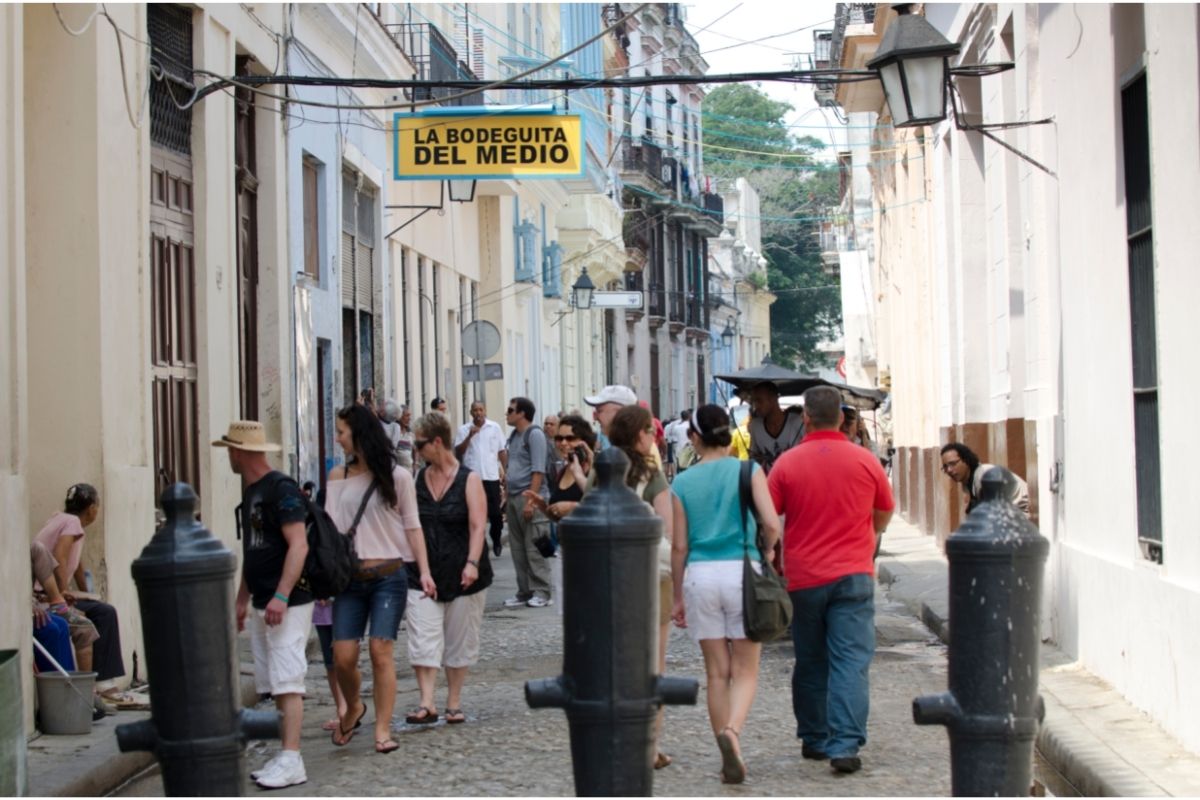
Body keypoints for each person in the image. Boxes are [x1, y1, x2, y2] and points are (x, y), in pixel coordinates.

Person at [767, 386, 894, 775]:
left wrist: (774, 557)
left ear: (804, 417)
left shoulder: (787, 464)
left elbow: (769, 521)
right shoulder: (865, 461)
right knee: (851, 660)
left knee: (810, 659)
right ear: (841, 419)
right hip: (853, 572)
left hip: (804, 576)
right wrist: (866, 537)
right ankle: (845, 744)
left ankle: (815, 737)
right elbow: (884, 511)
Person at [670, 405, 782, 784]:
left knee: (716, 673)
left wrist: (678, 597)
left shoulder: (682, 482)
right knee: (746, 670)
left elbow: (679, 546)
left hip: (700, 576)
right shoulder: (748, 470)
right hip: (742, 573)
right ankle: (732, 734)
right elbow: (770, 522)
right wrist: (766, 550)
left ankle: (726, 754)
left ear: (694, 438)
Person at [325, 405, 435, 751]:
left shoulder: (397, 476)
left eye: (342, 431)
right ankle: (355, 705)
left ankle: (383, 730)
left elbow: (413, 526)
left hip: (389, 575)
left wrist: (425, 571)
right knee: (342, 656)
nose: (337, 437)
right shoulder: (337, 476)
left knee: (380, 650)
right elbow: (330, 531)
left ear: (358, 434)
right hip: (349, 580)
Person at [214, 421, 312, 789]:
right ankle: (286, 754)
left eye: (229, 449)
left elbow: (298, 545)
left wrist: (283, 595)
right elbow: (254, 550)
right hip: (263, 599)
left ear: (240, 451)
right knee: (273, 680)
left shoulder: (280, 489)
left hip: (286, 601)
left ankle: (292, 758)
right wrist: (243, 597)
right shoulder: (253, 491)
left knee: (288, 679)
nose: (227, 456)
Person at [406, 412, 492, 726]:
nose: (417, 450)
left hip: (463, 572)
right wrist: (422, 568)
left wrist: (472, 563)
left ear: (437, 442)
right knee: (422, 636)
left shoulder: (468, 478)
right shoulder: (419, 479)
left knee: (460, 639)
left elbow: (477, 525)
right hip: (424, 571)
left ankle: (453, 701)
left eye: (420, 444)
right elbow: (413, 525)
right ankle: (427, 702)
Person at [605, 405, 676, 770]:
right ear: (638, 435)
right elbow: (668, 528)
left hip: (611, 578)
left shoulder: (602, 472)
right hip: (651, 576)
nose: (654, 436)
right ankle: (648, 745)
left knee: (618, 663)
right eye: (649, 430)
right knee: (653, 664)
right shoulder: (652, 473)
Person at [33, 483, 127, 700]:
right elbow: (60, 555)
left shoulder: (60, 519)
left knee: (99, 607)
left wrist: (86, 591)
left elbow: (77, 562)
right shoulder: (72, 522)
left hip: (47, 592)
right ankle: (102, 684)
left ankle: (97, 684)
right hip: (45, 595)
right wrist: (63, 591)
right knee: (105, 613)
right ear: (92, 508)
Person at [501, 397, 554, 608]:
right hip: (514, 497)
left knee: (535, 547)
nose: (507, 413)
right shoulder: (514, 436)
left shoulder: (535, 435)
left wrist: (532, 501)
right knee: (517, 549)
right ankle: (524, 591)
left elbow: (538, 469)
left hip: (530, 497)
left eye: (510, 410)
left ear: (522, 413)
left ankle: (542, 591)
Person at [454, 401, 508, 557]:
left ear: (485, 411)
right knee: (474, 514)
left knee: (496, 514)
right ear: (471, 413)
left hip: (491, 476)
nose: (478, 413)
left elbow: (501, 450)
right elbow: (459, 451)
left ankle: (496, 539)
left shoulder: (494, 427)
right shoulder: (463, 429)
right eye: (475, 410)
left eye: (480, 410)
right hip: (472, 478)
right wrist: (470, 436)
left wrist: (506, 470)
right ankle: (478, 545)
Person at [523, 414, 595, 523]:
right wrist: (542, 506)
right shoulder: (562, 471)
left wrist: (574, 507)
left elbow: (606, 508)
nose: (563, 443)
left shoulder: (594, 470)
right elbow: (557, 517)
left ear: (584, 441)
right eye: (559, 438)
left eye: (570, 438)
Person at [940, 442, 1031, 517]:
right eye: (945, 467)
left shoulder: (984, 475)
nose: (949, 470)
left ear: (966, 460)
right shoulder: (968, 481)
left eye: (953, 464)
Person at [747, 383, 805, 474]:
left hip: (796, 480)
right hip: (769, 482)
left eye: (759, 401)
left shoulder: (797, 422)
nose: (756, 406)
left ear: (773, 399)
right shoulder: (755, 425)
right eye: (754, 401)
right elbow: (754, 457)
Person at [584, 384, 638, 451]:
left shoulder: (635, 449)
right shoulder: (629, 445)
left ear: (618, 412)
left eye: (600, 411)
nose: (595, 418)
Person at [394, 405, 416, 471]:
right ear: (399, 417)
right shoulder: (394, 432)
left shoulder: (410, 434)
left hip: (409, 470)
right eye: (407, 415)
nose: (409, 418)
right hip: (397, 471)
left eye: (410, 416)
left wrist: (415, 464)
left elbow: (414, 450)